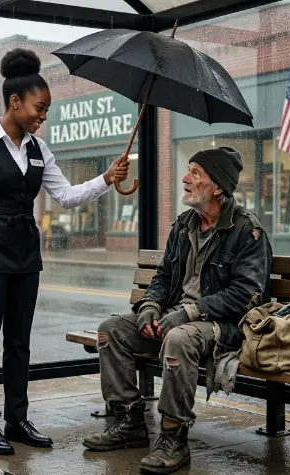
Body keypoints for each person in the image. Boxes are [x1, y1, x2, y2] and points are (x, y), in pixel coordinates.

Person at [0, 48, 131, 456]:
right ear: (14, 102)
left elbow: (65, 196)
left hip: (25, 256)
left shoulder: (39, 149)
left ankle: (17, 419)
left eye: (46, 110)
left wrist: (106, 178)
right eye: (39, 107)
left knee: (19, 342)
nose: (42, 116)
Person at [82, 147, 272, 474]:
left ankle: (174, 438)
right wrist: (150, 308)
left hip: (223, 328)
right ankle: (129, 423)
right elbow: (163, 277)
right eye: (188, 170)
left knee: (179, 339)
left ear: (217, 187)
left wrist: (189, 313)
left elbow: (247, 294)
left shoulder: (247, 230)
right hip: (175, 320)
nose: (185, 178)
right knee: (110, 329)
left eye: (196, 173)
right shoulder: (185, 224)